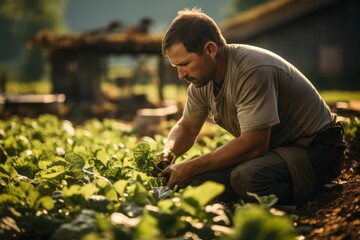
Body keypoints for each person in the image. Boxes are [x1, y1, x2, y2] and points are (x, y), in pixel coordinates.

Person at [157, 8, 346, 206]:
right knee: (196, 179)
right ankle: (247, 198)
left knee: (246, 178)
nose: (181, 75)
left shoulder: (252, 70)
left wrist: (192, 166)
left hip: (316, 150)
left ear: (210, 50)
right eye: (176, 67)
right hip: (275, 151)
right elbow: (187, 127)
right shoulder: (200, 82)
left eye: (185, 63)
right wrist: (167, 154)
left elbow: (254, 144)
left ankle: (318, 195)